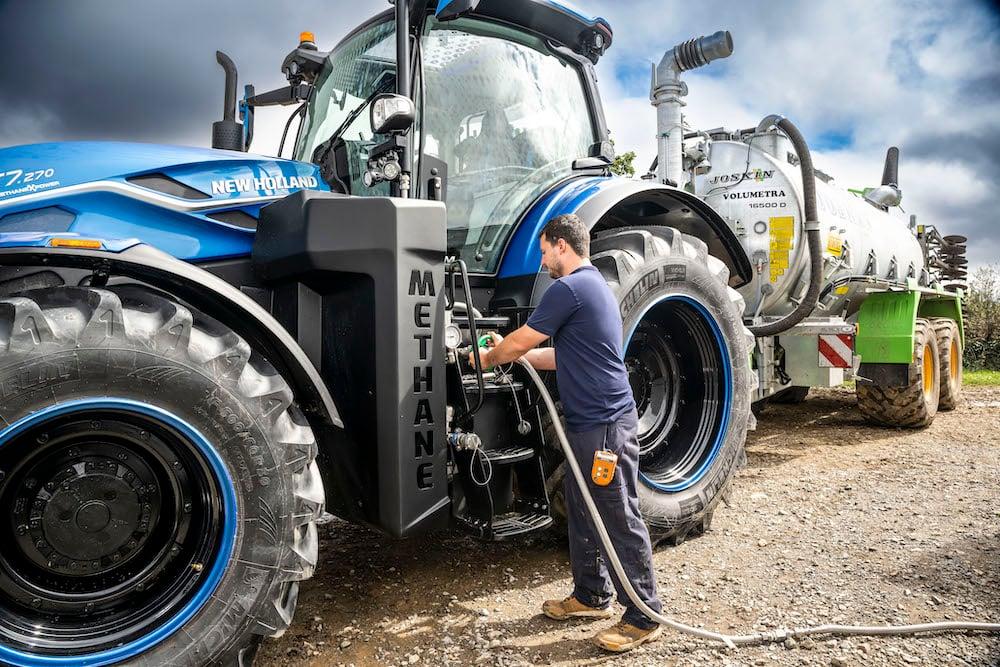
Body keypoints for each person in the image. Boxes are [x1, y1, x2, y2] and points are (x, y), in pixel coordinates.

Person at [468, 213, 663, 652]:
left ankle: (644, 614)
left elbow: (520, 341)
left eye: (544, 252)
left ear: (561, 246)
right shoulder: (593, 288)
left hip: (605, 428)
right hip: (590, 425)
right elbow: (557, 356)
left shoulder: (570, 287)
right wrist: (511, 356)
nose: (543, 262)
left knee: (616, 514)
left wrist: (484, 358)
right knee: (582, 506)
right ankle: (592, 595)